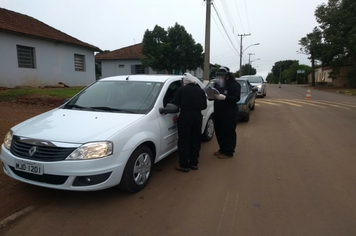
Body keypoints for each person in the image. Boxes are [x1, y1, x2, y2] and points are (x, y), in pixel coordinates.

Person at [171, 74, 207, 172]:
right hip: (197, 117)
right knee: (195, 140)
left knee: (184, 141)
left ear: (185, 83)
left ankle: (183, 165)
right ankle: (194, 163)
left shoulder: (181, 90)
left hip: (185, 117)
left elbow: (174, 103)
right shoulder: (201, 91)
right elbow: (204, 106)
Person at [212, 66, 241, 159]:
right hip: (218, 111)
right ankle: (222, 149)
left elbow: (236, 98)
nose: (220, 78)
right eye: (218, 76)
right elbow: (214, 93)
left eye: (222, 76)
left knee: (228, 132)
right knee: (219, 131)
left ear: (227, 76)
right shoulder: (218, 84)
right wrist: (211, 96)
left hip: (229, 113)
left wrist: (225, 98)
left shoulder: (234, 84)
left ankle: (228, 152)